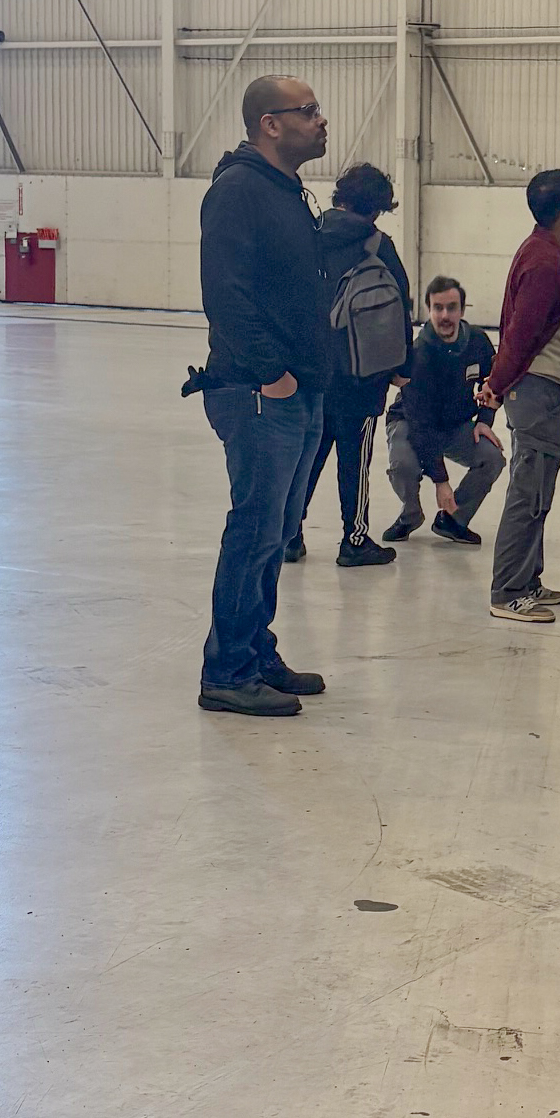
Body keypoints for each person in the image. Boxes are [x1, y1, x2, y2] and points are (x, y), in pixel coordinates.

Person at [190, 74, 335, 717]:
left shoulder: (287, 191)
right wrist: (270, 372)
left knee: (275, 532)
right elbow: (226, 294)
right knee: (253, 529)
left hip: (296, 392)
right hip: (257, 392)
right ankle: (226, 671)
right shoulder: (238, 191)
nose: (321, 119)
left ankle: (254, 650)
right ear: (269, 124)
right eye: (307, 111)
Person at [479, 170, 560, 622]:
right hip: (537, 389)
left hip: (544, 386)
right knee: (529, 489)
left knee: (538, 487)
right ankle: (509, 590)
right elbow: (519, 336)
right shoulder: (544, 260)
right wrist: (496, 387)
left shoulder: (545, 251)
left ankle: (528, 579)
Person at [296, 163, 411, 568]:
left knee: (310, 454)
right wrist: (402, 367)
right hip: (363, 374)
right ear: (378, 207)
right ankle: (355, 539)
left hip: (312, 371)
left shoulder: (309, 237)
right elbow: (402, 306)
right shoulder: (378, 246)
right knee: (355, 458)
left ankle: (290, 534)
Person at [385, 276, 506, 544]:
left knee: (493, 457)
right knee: (404, 464)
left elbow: (495, 381)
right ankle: (410, 513)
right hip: (411, 423)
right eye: (438, 308)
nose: (445, 315)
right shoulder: (418, 354)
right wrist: (441, 480)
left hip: (454, 425)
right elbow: (421, 426)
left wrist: (485, 419)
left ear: (462, 310)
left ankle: (454, 519)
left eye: (451, 307)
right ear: (428, 310)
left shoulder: (477, 341)